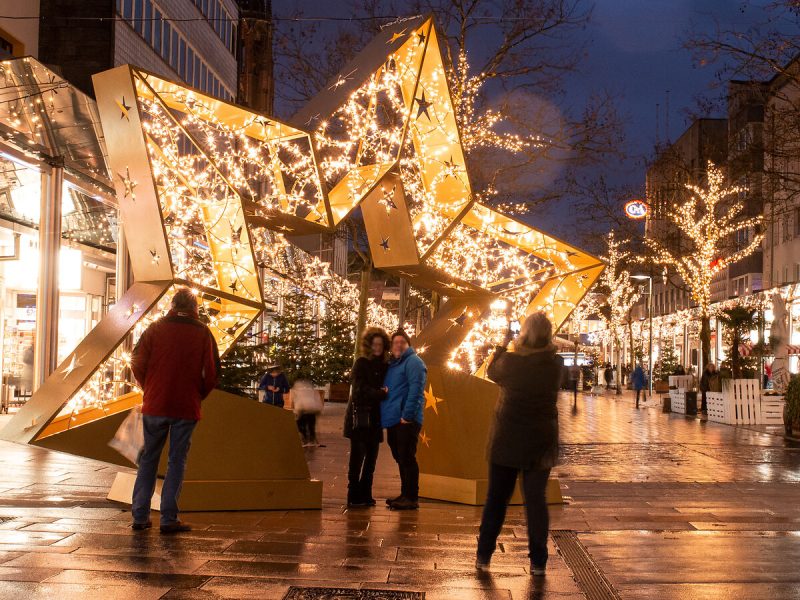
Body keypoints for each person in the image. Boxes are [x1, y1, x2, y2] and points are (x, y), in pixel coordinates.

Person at [477, 312, 563, 577]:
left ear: (524, 333)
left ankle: (484, 555)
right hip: (541, 440)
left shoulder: (511, 362)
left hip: (508, 438)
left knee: (497, 499)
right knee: (536, 500)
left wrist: (503, 344)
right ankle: (538, 561)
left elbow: (492, 371)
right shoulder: (555, 364)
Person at [130, 288, 220, 534]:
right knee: (176, 461)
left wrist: (148, 387)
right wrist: (197, 394)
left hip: (155, 405)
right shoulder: (202, 333)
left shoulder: (155, 328)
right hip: (185, 407)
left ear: (171, 305)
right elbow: (211, 373)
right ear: (195, 308)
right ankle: (168, 518)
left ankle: (140, 516)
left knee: (148, 460)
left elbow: (136, 360)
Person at [344, 327, 390, 507]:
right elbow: (358, 390)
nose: (377, 347)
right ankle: (353, 494)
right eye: (374, 344)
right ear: (369, 345)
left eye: (380, 344)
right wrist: (379, 394)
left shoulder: (386, 366)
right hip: (360, 418)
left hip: (375, 419)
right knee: (357, 458)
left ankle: (366, 493)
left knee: (371, 459)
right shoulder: (361, 363)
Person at [381, 330, 427, 511]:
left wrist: (407, 416)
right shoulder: (395, 363)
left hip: (406, 420)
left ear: (408, 344)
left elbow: (416, 390)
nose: (398, 345)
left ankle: (411, 497)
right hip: (394, 419)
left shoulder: (414, 362)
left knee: (407, 457)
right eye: (395, 343)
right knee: (400, 457)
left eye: (402, 342)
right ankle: (404, 494)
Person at [292, 378, 323, 446]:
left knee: (300, 425)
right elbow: (317, 400)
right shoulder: (312, 390)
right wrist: (319, 409)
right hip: (312, 410)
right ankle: (311, 440)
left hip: (303, 410)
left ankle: (305, 439)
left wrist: (297, 411)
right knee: (311, 426)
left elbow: (298, 402)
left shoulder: (297, 390)